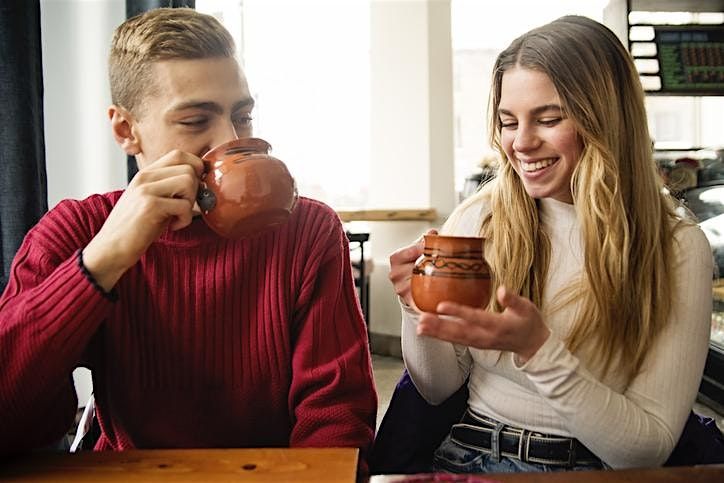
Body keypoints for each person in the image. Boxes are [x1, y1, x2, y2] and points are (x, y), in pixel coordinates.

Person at [0, 7, 376, 468]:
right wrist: (102, 261)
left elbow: (337, 421)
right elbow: (12, 422)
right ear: (126, 130)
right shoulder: (78, 230)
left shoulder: (307, 231)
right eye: (197, 121)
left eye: (243, 116)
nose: (231, 140)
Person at [388, 15, 713, 473]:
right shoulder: (480, 218)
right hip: (467, 456)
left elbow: (645, 450)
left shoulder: (677, 248)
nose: (520, 143)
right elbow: (438, 387)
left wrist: (539, 351)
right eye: (507, 122)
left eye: (549, 118)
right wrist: (415, 307)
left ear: (605, 118)